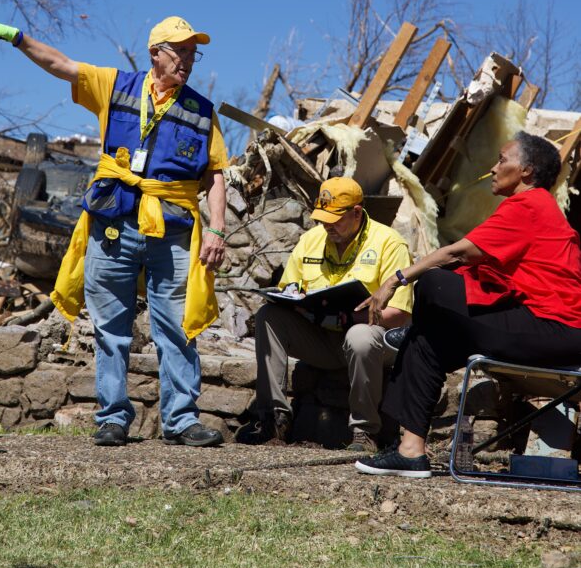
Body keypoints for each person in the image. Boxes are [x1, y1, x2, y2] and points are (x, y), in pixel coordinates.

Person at [0, 12, 228, 447]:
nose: (186, 60)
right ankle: (112, 417)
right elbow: (61, 65)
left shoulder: (202, 111)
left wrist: (217, 230)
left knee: (178, 327)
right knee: (110, 328)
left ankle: (181, 420)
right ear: (154, 54)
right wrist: (16, 38)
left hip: (173, 231)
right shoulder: (115, 85)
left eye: (191, 53)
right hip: (113, 227)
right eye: (178, 51)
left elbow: (215, 173)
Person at [354, 131, 581, 479]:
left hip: (557, 330)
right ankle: (410, 453)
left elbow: (455, 252)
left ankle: (416, 328)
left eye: (502, 159)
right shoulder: (532, 208)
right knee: (426, 344)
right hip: (540, 325)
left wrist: (395, 280)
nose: (493, 168)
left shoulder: (531, 205)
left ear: (526, 171)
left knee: (433, 280)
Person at [237, 177, 413, 450]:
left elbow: (399, 315)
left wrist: (352, 318)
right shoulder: (311, 240)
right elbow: (290, 289)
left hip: (372, 342)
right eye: (322, 218)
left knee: (359, 336)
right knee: (268, 316)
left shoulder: (390, 243)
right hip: (323, 337)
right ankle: (273, 420)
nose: (327, 225)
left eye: (335, 219)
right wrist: (292, 300)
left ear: (357, 212)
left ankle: (364, 432)